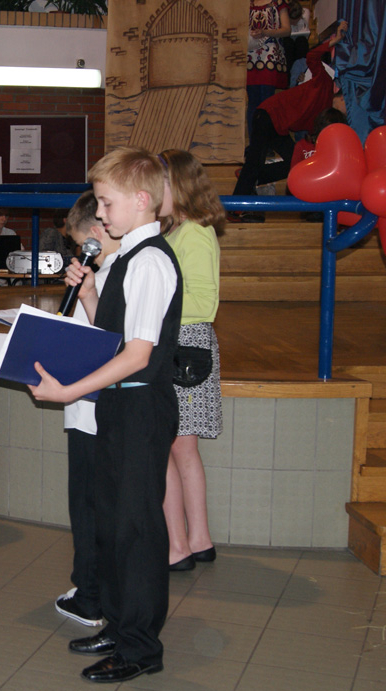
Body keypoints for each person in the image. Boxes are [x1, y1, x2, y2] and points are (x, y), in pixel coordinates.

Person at [30, 147, 181, 684]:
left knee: (136, 530)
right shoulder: (125, 260)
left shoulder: (151, 262)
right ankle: (119, 625)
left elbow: (138, 356)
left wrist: (68, 391)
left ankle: (141, 646)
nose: (100, 213)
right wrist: (91, 293)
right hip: (120, 402)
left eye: (106, 202)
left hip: (140, 405)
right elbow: (113, 338)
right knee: (115, 524)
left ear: (141, 200)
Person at [157, 149, 226, 572]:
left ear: (179, 186)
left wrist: (150, 307)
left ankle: (181, 544)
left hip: (185, 343)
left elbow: (203, 302)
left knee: (174, 447)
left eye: (160, 184)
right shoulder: (178, 231)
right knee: (182, 449)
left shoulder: (195, 233)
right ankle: (196, 540)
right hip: (180, 342)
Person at [52, 191, 117, 628]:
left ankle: (90, 594)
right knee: (96, 503)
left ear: (95, 233)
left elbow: (111, 342)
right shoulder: (106, 273)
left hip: (93, 406)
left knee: (88, 504)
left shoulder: (114, 273)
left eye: (79, 244)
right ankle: (96, 587)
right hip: (90, 404)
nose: (79, 252)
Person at [231, 20, 348, 222]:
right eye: (346, 104)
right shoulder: (324, 83)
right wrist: (334, 40)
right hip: (267, 115)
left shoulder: (324, 116)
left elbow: (310, 137)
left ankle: (250, 176)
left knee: (293, 166)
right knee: (254, 161)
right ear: (342, 96)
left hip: (280, 127)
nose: (345, 110)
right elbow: (311, 56)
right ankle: (235, 209)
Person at [247, 0, 290, 133]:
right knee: (253, 102)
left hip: (269, 58)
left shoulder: (278, 2)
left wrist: (266, 32)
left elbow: (287, 30)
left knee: (267, 102)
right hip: (250, 58)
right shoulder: (246, 3)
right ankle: (254, 141)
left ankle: (267, 140)